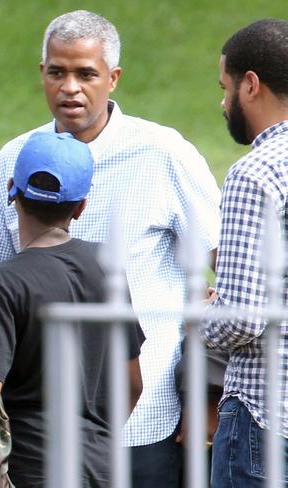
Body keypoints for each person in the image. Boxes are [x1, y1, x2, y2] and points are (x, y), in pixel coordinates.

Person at [0, 10, 221, 487]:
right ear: (41, 72)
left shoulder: (164, 153)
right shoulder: (14, 156)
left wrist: (203, 393)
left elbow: (228, 264)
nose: (70, 88)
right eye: (57, 72)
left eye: (86, 74)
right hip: (33, 435)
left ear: (113, 77)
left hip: (146, 423)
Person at [0, 131, 145, 487]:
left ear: (12, 189)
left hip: (30, 470)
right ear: (81, 206)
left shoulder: (1, 283)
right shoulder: (108, 265)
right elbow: (132, 385)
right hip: (101, 468)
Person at [201, 19, 288, 488]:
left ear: (250, 85)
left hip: (263, 416)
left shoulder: (254, 174)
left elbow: (243, 319)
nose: (223, 101)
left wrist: (203, 314)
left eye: (225, 87)